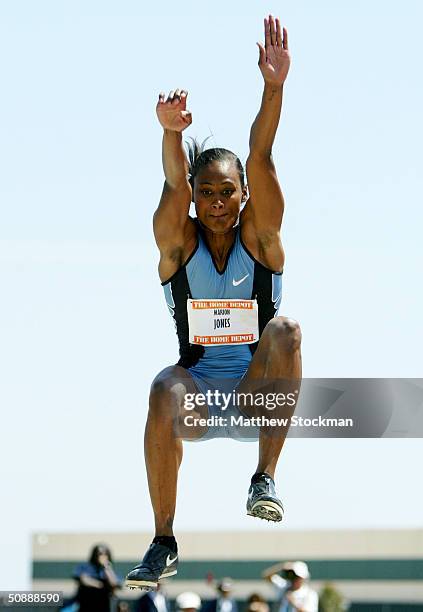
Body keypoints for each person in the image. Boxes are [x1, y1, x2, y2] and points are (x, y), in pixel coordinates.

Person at [125, 14, 302, 590]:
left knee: (286, 331)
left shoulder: (262, 242)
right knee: (159, 388)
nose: (218, 203)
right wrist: (169, 133)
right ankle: (163, 541)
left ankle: (264, 481)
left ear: (243, 194)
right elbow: (173, 189)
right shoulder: (178, 246)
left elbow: (263, 154)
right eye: (208, 194)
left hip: (257, 399)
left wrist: (272, 88)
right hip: (198, 397)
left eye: (228, 192)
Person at [72, 543, 122, 611]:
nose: (102, 556)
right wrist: (101, 585)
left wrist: (107, 567)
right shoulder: (85, 567)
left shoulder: (111, 570)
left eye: (105, 554)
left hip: (104, 606)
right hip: (86, 604)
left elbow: (115, 584)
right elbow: (83, 579)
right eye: (100, 553)